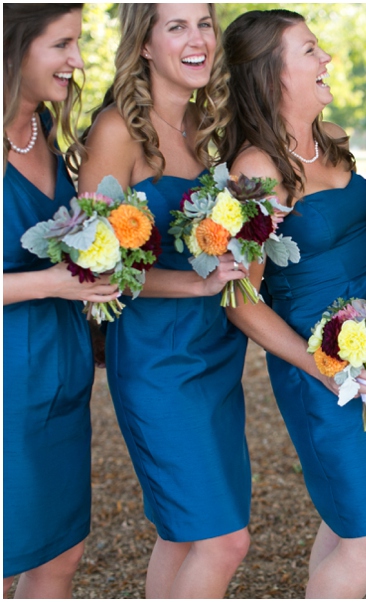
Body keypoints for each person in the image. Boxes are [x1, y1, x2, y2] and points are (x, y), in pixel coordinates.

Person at [220, 10, 366, 598]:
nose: (327, 60)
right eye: (310, 51)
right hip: (321, 369)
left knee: (350, 523)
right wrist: (322, 367)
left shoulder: (333, 142)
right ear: (274, 75)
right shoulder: (253, 172)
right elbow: (239, 299)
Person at [76, 4, 252, 598]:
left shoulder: (213, 129)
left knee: (182, 534)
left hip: (217, 351)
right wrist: (196, 284)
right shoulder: (117, 132)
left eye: (204, 23)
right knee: (225, 540)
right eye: (176, 27)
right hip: (156, 358)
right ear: (145, 46)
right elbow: (92, 264)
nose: (198, 38)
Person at [3, 5, 119, 597]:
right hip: (6, 383)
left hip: (61, 367)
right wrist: (50, 282)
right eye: (62, 45)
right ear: (14, 44)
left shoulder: (44, 128)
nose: (76, 61)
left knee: (61, 553)